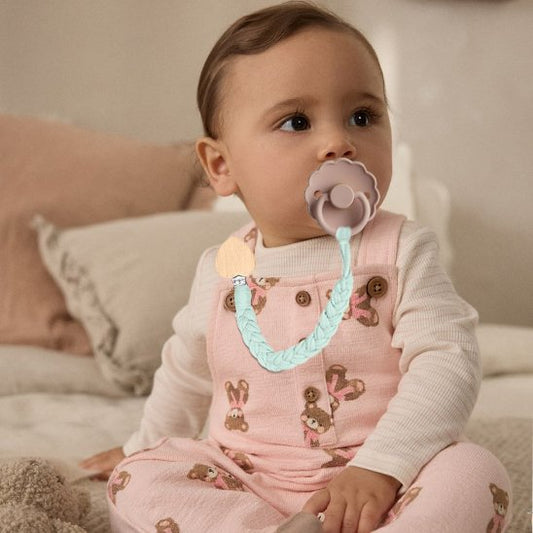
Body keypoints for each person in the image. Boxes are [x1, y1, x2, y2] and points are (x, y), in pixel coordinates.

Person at [81, 2, 512, 532]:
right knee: (136, 480)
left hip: (385, 481)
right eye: (296, 122)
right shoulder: (223, 269)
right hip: (248, 478)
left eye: (363, 116)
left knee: (475, 473)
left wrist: (383, 466)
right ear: (222, 165)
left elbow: (448, 360)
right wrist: (140, 446)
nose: (339, 142)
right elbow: (185, 375)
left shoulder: (401, 249)